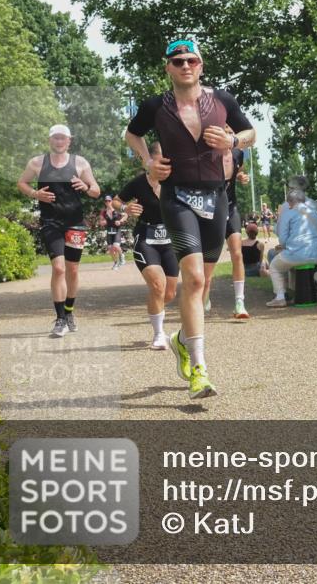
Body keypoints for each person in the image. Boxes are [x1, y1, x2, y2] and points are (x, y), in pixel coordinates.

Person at [125, 39, 254, 399]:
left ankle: (182, 340)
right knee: (193, 279)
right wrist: (147, 162)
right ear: (168, 67)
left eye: (191, 60)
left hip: (216, 198)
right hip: (177, 196)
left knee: (205, 282)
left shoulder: (223, 100)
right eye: (178, 61)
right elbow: (131, 134)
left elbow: (251, 133)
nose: (185, 66)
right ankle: (199, 369)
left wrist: (232, 143)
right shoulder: (155, 106)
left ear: (201, 66)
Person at [17, 124, 101, 336]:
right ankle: (60, 318)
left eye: (63, 138)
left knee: (72, 270)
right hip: (50, 222)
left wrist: (86, 187)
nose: (59, 141)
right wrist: (35, 194)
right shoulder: (37, 163)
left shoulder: (80, 163)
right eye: (55, 138)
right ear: (50, 140)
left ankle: (69, 311)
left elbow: (96, 191)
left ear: (69, 141)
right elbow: (22, 183)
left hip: (75, 223)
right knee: (59, 269)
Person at [116, 142, 179, 349]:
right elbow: (116, 201)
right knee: (157, 285)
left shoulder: (176, 181)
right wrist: (126, 207)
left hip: (170, 241)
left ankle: (155, 304)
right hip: (146, 238)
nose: (165, 164)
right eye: (162, 160)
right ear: (150, 160)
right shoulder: (138, 183)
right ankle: (159, 334)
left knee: (168, 293)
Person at [201, 129, 251, 319]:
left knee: (237, 253)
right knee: (209, 261)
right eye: (226, 132)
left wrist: (241, 177)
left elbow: (239, 170)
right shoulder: (209, 156)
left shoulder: (239, 153)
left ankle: (240, 302)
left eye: (232, 133)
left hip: (231, 208)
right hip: (211, 210)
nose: (229, 136)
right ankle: (204, 298)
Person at [265, 176, 317, 308]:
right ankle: (299, 294)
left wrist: (286, 246)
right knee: (293, 261)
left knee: (275, 265)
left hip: (298, 252)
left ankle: (280, 297)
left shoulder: (287, 208)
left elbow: (282, 236)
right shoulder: (314, 208)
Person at [99, 195, 128, 269]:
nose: (107, 202)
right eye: (106, 201)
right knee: (110, 248)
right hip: (109, 230)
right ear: (104, 202)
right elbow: (101, 221)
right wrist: (102, 222)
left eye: (109, 201)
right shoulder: (104, 212)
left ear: (111, 201)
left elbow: (126, 215)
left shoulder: (117, 210)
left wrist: (120, 221)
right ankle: (116, 263)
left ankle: (122, 257)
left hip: (117, 230)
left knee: (115, 246)